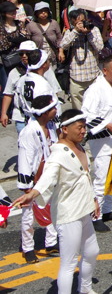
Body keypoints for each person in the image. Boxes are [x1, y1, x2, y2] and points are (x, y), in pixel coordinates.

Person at [12, 109, 102, 294]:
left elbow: (86, 178)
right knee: (69, 263)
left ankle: (85, 288)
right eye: (80, 127)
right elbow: (48, 176)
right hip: (68, 213)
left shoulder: (79, 147)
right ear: (65, 129)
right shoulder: (58, 154)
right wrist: (33, 193)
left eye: (85, 127)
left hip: (84, 209)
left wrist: (93, 199)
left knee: (92, 251)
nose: (84, 131)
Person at [16, 94, 59, 262]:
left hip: (48, 177)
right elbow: (25, 158)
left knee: (53, 208)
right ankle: (28, 248)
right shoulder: (29, 132)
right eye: (52, 108)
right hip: (34, 179)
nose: (56, 110)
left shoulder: (51, 125)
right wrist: (27, 185)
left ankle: (51, 243)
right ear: (43, 113)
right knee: (28, 215)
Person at [81, 55, 112, 229]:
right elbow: (86, 115)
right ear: (105, 71)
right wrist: (107, 125)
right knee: (101, 176)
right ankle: (95, 216)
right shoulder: (95, 89)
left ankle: (107, 210)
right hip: (102, 139)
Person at [59, 8, 103, 109]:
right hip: (77, 77)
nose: (81, 24)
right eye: (77, 22)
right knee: (78, 108)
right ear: (72, 22)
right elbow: (63, 44)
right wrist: (76, 32)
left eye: (82, 21)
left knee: (94, 106)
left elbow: (99, 47)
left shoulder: (94, 30)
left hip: (93, 75)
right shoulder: (70, 31)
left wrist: (88, 33)